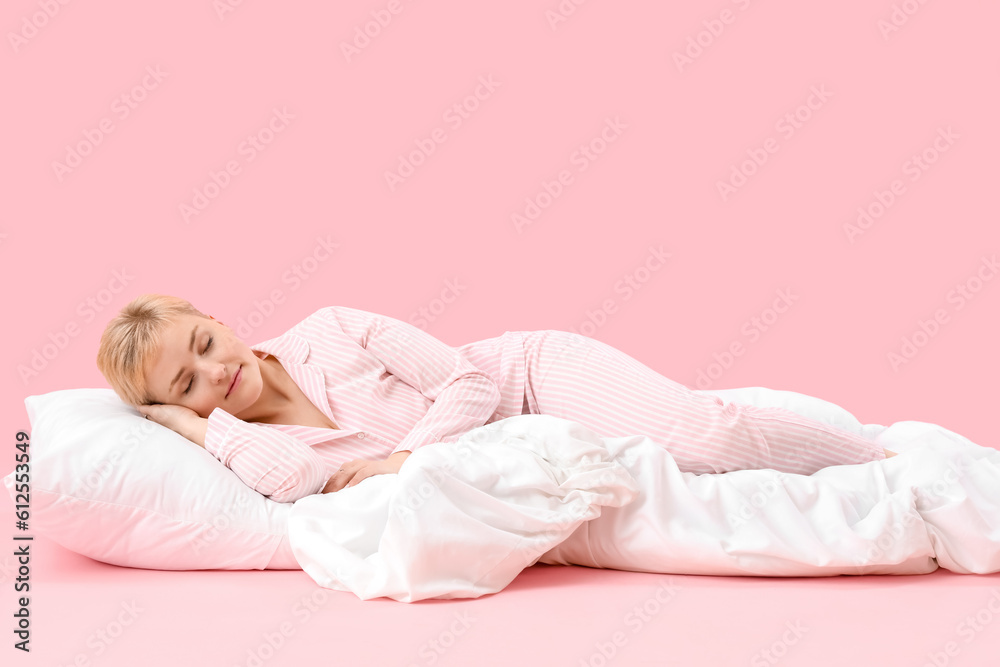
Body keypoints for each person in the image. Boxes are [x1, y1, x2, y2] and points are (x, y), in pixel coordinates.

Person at [95, 294, 896, 503]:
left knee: (703, 435)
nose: (213, 374)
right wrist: (193, 432)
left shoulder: (330, 328)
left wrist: (402, 461)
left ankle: (891, 460)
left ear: (219, 320)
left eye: (204, 344)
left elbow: (469, 380)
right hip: (517, 456)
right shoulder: (247, 440)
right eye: (185, 385)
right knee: (692, 482)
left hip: (531, 381)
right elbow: (293, 481)